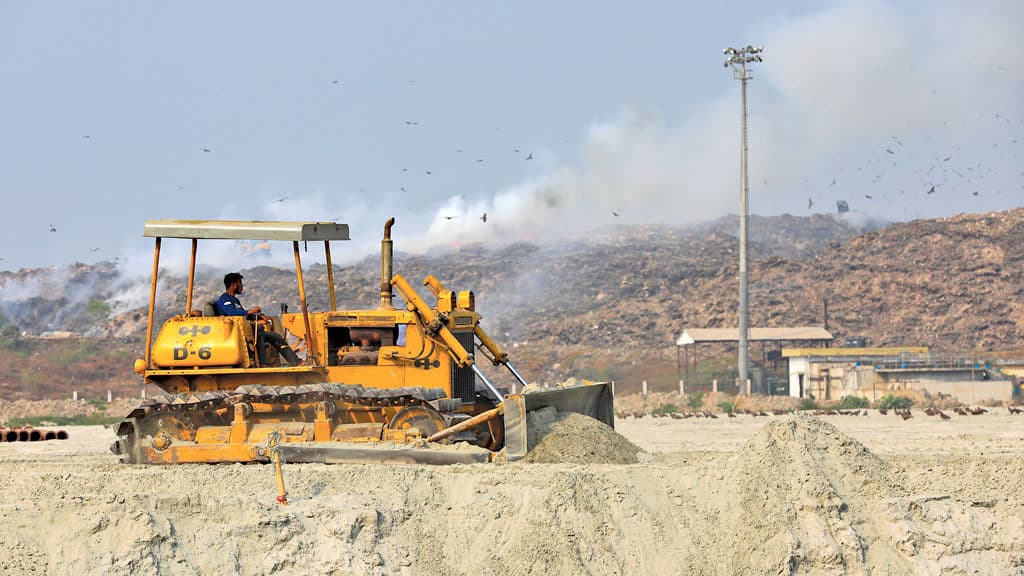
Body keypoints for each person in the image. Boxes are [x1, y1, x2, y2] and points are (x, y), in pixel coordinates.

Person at [216, 272, 302, 367]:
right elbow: (232, 313)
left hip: (245, 331)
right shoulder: (224, 299)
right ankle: (262, 363)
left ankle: (296, 362)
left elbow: (245, 315)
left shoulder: (235, 301)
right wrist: (250, 311)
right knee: (259, 328)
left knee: (275, 337)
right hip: (235, 333)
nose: (242, 286)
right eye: (240, 283)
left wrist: (260, 316)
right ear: (233, 284)